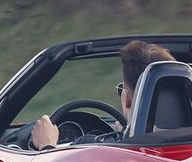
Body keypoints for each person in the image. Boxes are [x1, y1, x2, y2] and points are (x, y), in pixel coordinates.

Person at [30, 40, 176, 149]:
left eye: (121, 90)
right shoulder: (188, 144)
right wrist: (128, 135)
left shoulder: (104, 154)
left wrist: (47, 145)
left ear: (126, 98)